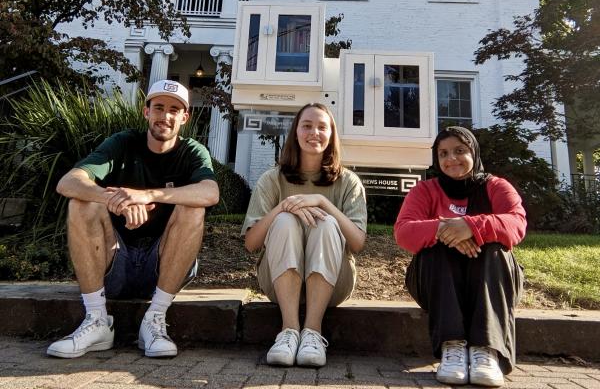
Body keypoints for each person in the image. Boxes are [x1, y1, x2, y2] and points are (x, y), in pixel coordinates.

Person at [47, 80, 219, 359]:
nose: (165, 116)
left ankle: (155, 320)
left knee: (193, 208)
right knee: (82, 203)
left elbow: (210, 193)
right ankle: (97, 320)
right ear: (146, 112)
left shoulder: (192, 151)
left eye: (174, 110)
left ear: (184, 118)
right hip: (115, 262)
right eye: (159, 108)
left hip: (162, 269)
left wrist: (145, 195)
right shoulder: (123, 143)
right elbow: (68, 182)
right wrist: (117, 200)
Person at [394, 126, 525, 387]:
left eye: (459, 151)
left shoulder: (496, 186)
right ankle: (451, 348)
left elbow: (516, 224)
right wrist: (444, 230)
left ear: (473, 152)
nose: (451, 159)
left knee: (495, 248)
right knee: (435, 246)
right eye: (443, 153)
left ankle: (486, 350)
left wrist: (471, 227)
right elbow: (404, 232)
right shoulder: (425, 190)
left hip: (491, 280)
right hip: (437, 281)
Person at [242, 103, 367, 367]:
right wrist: (281, 207)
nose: (315, 132)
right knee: (285, 220)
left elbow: (357, 242)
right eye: (307, 125)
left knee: (326, 222)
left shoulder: (349, 182)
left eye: (323, 127)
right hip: (278, 283)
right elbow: (251, 243)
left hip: (335, 284)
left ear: (332, 134)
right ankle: (288, 331)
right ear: (295, 132)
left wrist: (323, 203)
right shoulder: (271, 179)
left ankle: (312, 332)